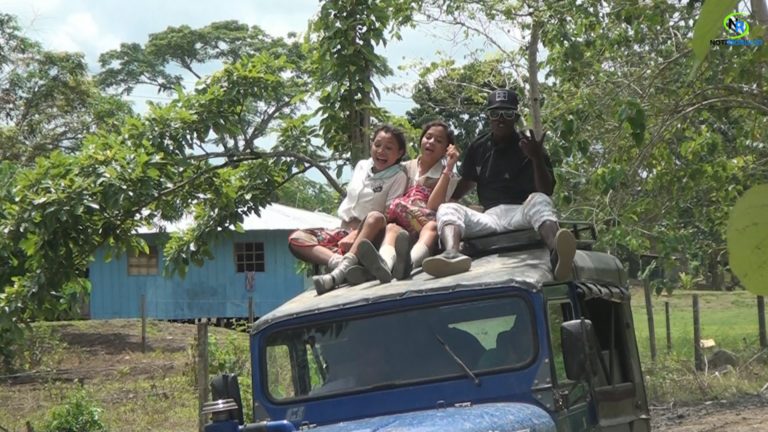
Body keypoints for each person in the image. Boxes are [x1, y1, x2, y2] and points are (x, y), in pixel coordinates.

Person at [422, 88, 577, 280]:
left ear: (515, 117)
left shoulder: (529, 145)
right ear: (489, 117)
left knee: (539, 199)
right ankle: (452, 255)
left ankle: (557, 253)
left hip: (521, 213)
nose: (501, 119)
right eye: (495, 114)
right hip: (490, 217)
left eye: (507, 113)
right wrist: (436, 208)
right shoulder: (478, 147)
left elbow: (546, 191)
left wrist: (536, 158)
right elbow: (463, 186)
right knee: (447, 208)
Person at [288, 125, 408, 294]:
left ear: (400, 153)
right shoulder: (361, 166)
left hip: (371, 234)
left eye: (389, 148)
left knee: (375, 217)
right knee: (297, 239)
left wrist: (356, 234)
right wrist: (348, 234)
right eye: (377, 145)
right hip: (343, 230)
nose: (381, 151)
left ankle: (337, 275)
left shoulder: (398, 176)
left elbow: (390, 214)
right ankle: (341, 263)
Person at [345, 120, 461, 283]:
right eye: (428, 137)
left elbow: (433, 207)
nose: (431, 142)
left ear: (446, 150)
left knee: (432, 226)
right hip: (398, 226)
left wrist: (448, 168)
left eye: (439, 141)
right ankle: (385, 265)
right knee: (392, 228)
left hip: (424, 228)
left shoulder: (449, 176)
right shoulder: (403, 168)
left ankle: (409, 264)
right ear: (421, 140)